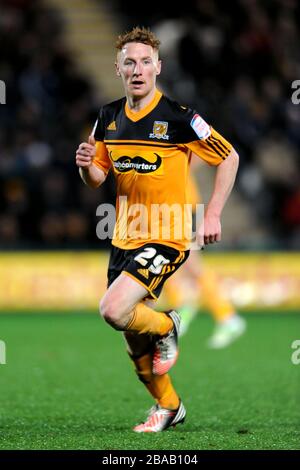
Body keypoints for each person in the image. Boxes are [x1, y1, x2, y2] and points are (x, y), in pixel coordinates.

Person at [75, 26, 239, 432]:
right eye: (129, 62)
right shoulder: (107, 117)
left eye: (145, 62)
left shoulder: (180, 118)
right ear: (118, 69)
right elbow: (98, 177)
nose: (137, 69)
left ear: (157, 68)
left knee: (113, 310)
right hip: (122, 236)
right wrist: (85, 167)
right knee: (135, 344)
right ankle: (169, 407)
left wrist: (214, 212)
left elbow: (229, 156)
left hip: (167, 234)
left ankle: (170, 324)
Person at [161, 171, 246, 348]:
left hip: (180, 205)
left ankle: (226, 316)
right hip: (171, 204)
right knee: (165, 260)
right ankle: (185, 308)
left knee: (190, 265)